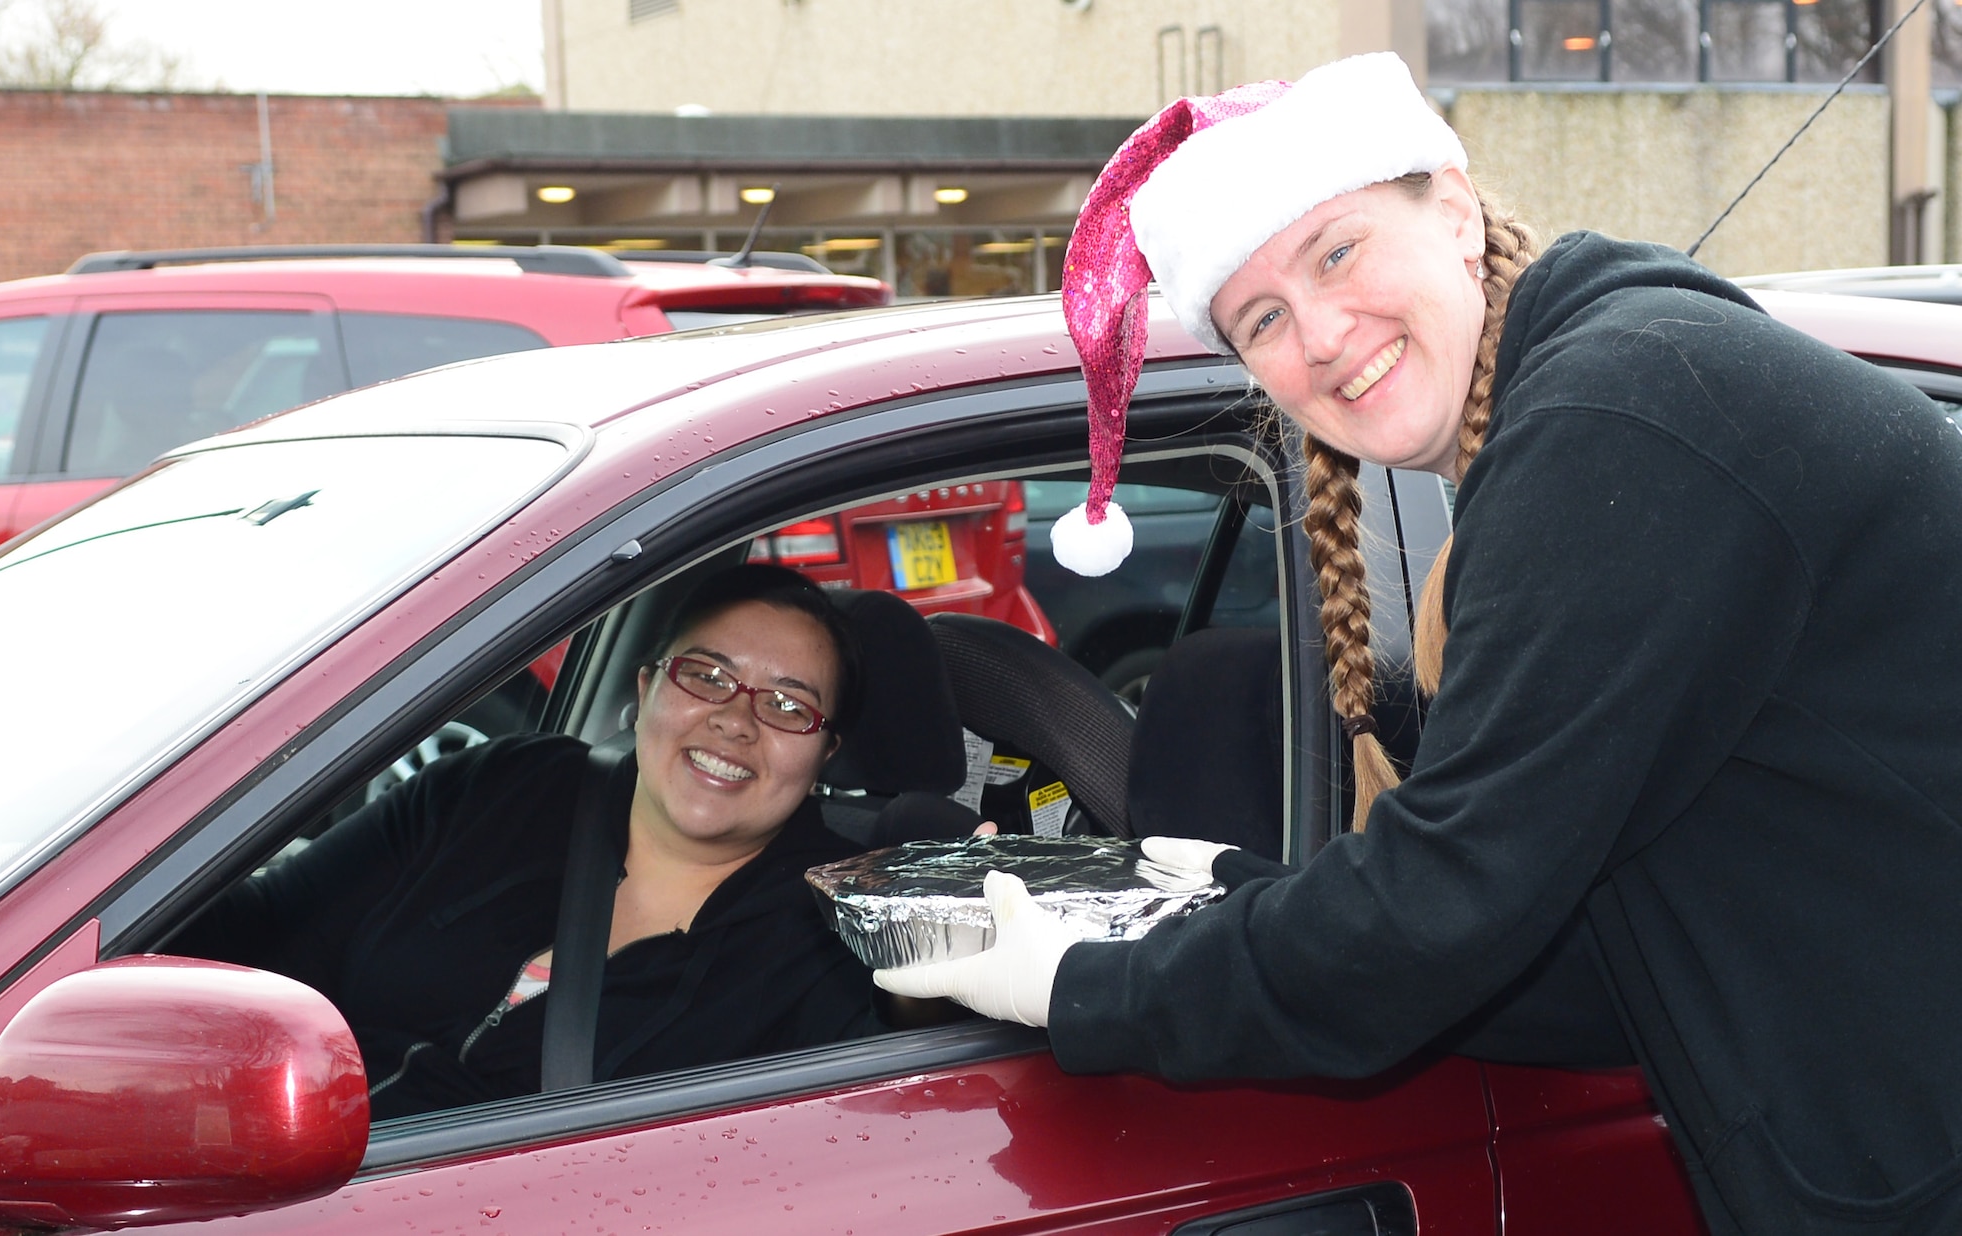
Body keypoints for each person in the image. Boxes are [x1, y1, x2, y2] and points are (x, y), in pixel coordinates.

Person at [876, 53, 1962, 1236]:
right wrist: (1244, 898)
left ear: (1451, 210)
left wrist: (1085, 988)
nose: (1324, 336)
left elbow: (1443, 916)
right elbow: (1573, 950)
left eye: (1335, 252)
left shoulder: (1619, 418)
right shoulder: (1600, 392)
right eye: (1263, 322)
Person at [174, 564, 884, 1118]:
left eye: (789, 705)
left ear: (826, 755)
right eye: (706, 676)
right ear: (646, 688)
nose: (736, 719)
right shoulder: (498, 789)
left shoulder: (834, 935)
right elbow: (261, 928)